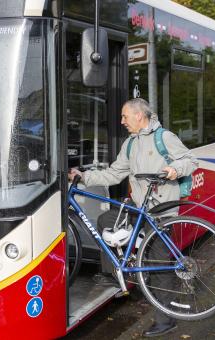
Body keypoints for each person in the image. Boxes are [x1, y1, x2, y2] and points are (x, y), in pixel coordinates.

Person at [68, 98, 198, 338]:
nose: (122, 121)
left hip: (162, 210)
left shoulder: (164, 138)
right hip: (139, 207)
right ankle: (115, 275)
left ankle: (165, 319)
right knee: (106, 221)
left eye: (124, 116)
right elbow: (114, 173)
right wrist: (83, 176)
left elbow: (191, 160)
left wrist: (174, 170)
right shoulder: (130, 143)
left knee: (158, 265)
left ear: (139, 116)